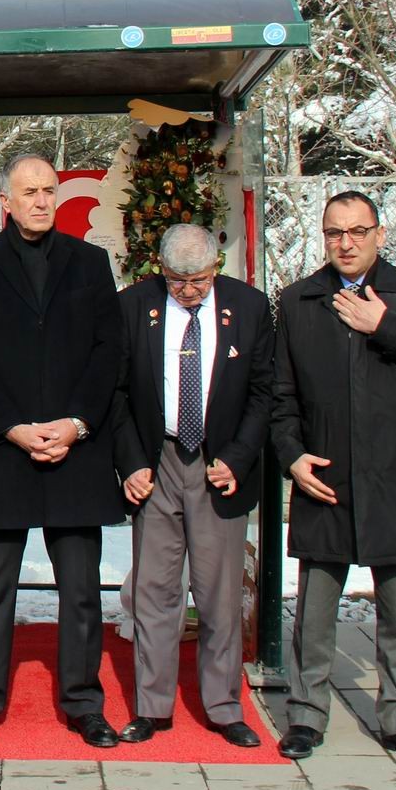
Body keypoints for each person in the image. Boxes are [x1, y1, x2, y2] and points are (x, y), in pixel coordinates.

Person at [272, 191, 396, 766]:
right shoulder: (301, 300)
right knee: (314, 608)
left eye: (358, 231)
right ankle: (307, 715)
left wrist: (385, 325)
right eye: (335, 232)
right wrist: (293, 458)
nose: (346, 243)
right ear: (323, 236)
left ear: (380, 234)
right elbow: (282, 397)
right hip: (326, 478)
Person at [0, 154, 125, 749]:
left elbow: (109, 351)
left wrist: (76, 423)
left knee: (81, 589)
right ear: (5, 201)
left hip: (75, 452)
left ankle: (83, 702)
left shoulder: (91, 262)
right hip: (4, 452)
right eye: (29, 192)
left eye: (49, 190)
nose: (42, 201)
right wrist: (11, 427)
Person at [111, 224, 274, 749]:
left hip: (219, 464)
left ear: (217, 268)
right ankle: (152, 707)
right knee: (155, 592)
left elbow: (264, 392)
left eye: (199, 280)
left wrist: (239, 458)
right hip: (157, 461)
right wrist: (131, 462)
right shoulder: (134, 306)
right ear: (161, 269)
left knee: (218, 595)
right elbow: (113, 391)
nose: (188, 291)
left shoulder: (249, 308)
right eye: (178, 280)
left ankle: (225, 707)